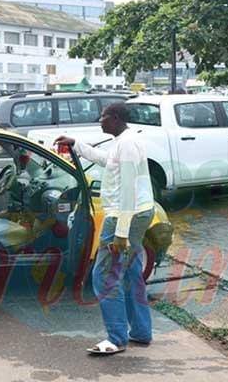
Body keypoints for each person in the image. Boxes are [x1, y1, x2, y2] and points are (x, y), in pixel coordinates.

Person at [54, 103, 155, 355]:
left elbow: (129, 188)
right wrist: (76, 144)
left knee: (104, 276)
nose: (100, 121)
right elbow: (106, 161)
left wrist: (120, 233)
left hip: (125, 215)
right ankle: (141, 332)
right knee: (131, 272)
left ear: (116, 118)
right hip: (135, 213)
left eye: (104, 117)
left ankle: (117, 338)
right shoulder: (124, 141)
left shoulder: (128, 144)